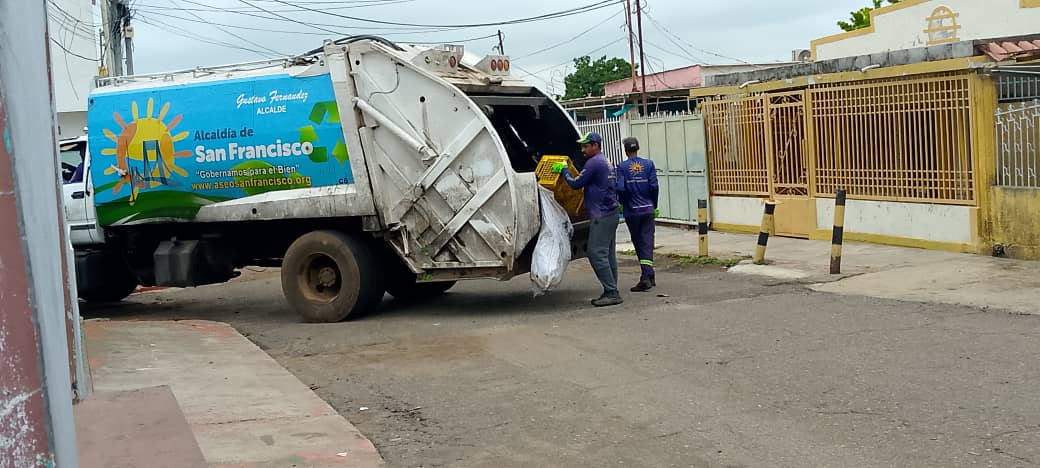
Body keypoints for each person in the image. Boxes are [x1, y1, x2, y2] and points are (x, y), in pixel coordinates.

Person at [551, 132, 622, 307]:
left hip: (601, 215)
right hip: (611, 213)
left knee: (596, 253)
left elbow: (575, 184)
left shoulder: (594, 163)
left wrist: (564, 171)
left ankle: (612, 292)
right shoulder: (605, 161)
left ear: (595, 146)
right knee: (608, 254)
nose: (582, 149)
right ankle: (612, 289)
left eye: (586, 146)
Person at [616, 137, 659, 292]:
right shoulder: (649, 164)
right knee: (647, 241)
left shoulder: (622, 167)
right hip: (648, 209)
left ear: (626, 150)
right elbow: (654, 186)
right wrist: (654, 204)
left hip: (632, 211)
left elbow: (620, 189)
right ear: (637, 148)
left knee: (639, 242)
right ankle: (649, 274)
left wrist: (624, 202)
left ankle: (646, 276)